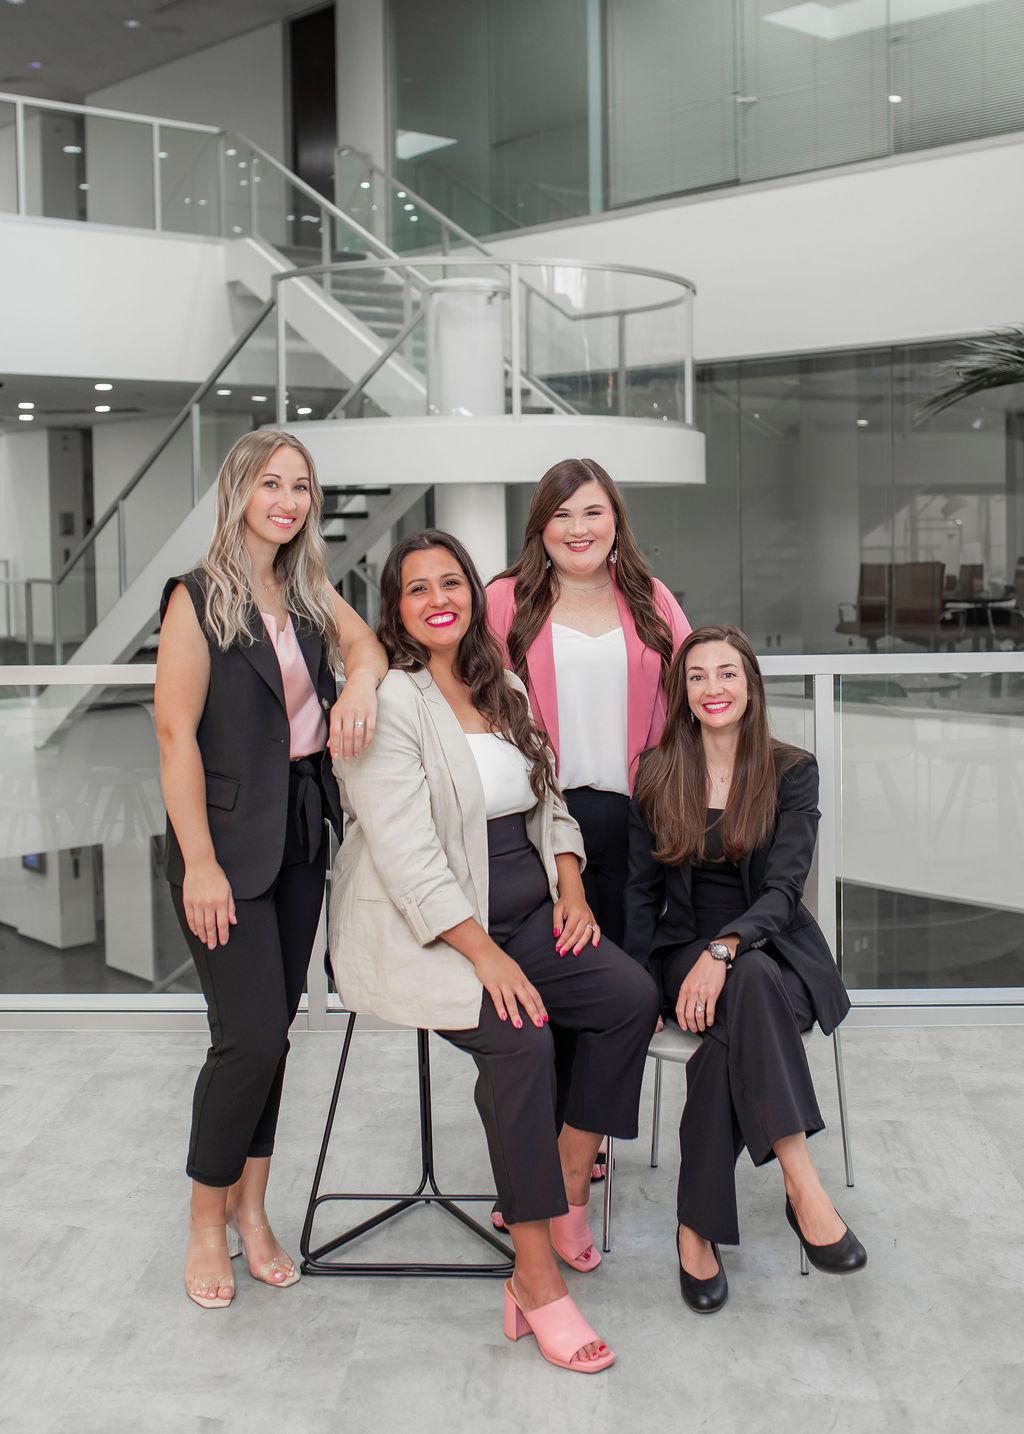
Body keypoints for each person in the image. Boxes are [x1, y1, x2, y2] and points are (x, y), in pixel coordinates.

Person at [330, 530, 659, 1374]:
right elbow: (408, 856)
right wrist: (484, 955)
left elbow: (549, 800)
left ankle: (566, 1182)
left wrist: (572, 886)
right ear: (396, 609)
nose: (438, 599)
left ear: (475, 596)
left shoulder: (501, 683)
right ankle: (535, 1279)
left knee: (628, 998)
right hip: (434, 930)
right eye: (417, 588)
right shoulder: (389, 700)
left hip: (530, 910)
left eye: (452, 582)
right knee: (521, 1042)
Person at [155, 430, 387, 1310]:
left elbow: (370, 651)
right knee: (247, 1038)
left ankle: (252, 1213)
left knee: (274, 1035)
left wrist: (356, 684)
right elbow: (175, 737)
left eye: (300, 487)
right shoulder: (195, 597)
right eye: (270, 484)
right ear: (239, 493)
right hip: (222, 846)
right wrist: (200, 865)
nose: (287, 501)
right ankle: (204, 1223)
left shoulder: (307, 590)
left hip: (297, 833)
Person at [624, 624, 866, 1314]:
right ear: (682, 692)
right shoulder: (657, 771)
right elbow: (640, 895)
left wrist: (725, 948)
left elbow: (784, 891)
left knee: (741, 1005)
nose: (713, 688)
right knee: (747, 990)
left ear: (751, 686)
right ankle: (802, 1184)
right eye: (697, 676)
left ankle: (696, 1228)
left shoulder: (792, 770)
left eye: (727, 673)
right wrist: (645, 987)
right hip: (683, 954)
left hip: (775, 951)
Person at [487, 457, 690, 1195]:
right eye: (562, 514)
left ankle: (583, 1138)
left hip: (636, 821)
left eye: (592, 512)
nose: (578, 528)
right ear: (540, 527)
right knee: (553, 986)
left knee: (619, 982)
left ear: (615, 520)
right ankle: (539, 1156)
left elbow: (692, 697)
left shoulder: (651, 598)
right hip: (541, 822)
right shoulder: (505, 600)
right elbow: (466, 693)